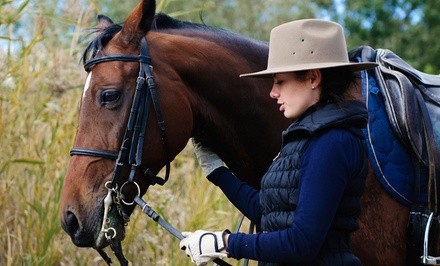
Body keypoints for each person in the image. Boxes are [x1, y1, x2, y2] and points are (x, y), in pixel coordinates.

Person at [179, 19, 377, 266]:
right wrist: (216, 171)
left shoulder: (332, 142)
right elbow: (266, 212)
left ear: (313, 78)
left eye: (280, 81)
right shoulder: (306, 137)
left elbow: (301, 243)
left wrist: (225, 244)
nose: (273, 92)